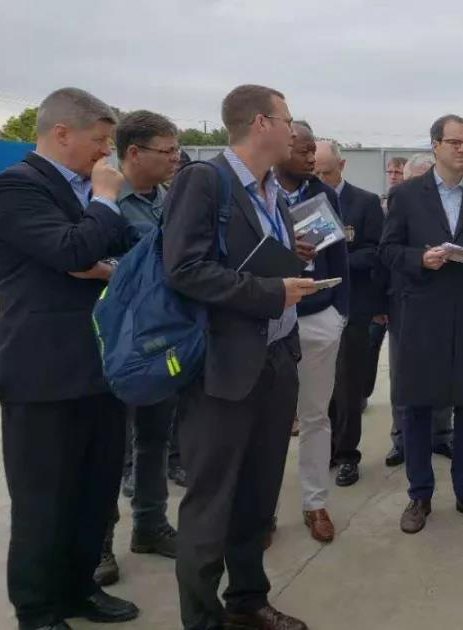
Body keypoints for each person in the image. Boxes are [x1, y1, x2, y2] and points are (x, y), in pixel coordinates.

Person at [0, 86, 141, 629]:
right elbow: (73, 249)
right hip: (42, 373)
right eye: (99, 140)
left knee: (94, 494)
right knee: (42, 503)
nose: (105, 152)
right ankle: (38, 611)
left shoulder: (83, 192)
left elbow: (123, 250)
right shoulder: (17, 186)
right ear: (61, 133)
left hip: (100, 365)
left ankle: (79, 591)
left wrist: (99, 260)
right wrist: (103, 202)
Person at [163, 84, 317, 630]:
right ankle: (202, 619)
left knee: (257, 496)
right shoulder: (205, 181)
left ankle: (248, 600)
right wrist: (271, 292)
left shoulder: (273, 191)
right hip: (222, 368)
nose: (294, 129)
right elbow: (183, 269)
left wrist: (289, 262)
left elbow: (249, 258)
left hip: (275, 360)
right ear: (260, 124)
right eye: (287, 119)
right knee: (211, 504)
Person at [379, 114, 463, 534]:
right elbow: (388, 251)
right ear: (435, 145)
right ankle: (420, 495)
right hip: (422, 316)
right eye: (455, 143)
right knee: (417, 407)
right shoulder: (407, 196)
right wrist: (420, 258)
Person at [94, 110, 184, 588]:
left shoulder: (171, 200)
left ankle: (150, 525)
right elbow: (92, 260)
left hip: (161, 337)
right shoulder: (104, 200)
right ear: (133, 152)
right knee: (110, 447)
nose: (175, 159)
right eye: (166, 151)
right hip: (117, 342)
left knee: (154, 439)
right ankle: (100, 543)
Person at [277, 122, 351, 543]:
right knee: (267, 422)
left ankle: (315, 502)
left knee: (315, 416)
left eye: (313, 152)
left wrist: (339, 312)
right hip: (269, 317)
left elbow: (338, 256)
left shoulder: (323, 195)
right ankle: (261, 512)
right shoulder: (255, 194)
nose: (311, 159)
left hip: (319, 316)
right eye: (304, 152)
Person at [312, 140, 385, 487]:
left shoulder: (365, 202)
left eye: (326, 172)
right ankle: (324, 449)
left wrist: (337, 261)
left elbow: (377, 251)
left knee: (348, 384)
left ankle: (346, 454)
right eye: (315, 172)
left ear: (342, 166)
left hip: (353, 305)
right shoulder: (304, 200)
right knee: (318, 385)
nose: (320, 178)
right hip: (314, 305)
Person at [382, 152, 454, 468]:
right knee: (403, 374)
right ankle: (402, 439)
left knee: (443, 371)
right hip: (404, 302)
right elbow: (384, 254)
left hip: (444, 302)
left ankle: (441, 434)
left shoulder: (450, 209)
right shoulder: (396, 204)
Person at [366, 156, 408, 413]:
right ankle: (363, 392)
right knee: (371, 347)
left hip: (406, 292)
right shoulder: (380, 205)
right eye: (390, 172)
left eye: (398, 172)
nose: (393, 176)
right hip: (384, 291)